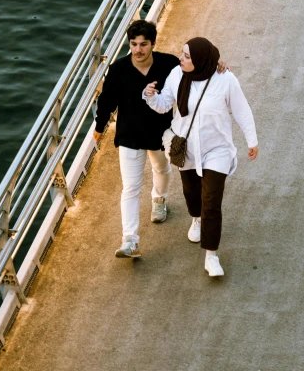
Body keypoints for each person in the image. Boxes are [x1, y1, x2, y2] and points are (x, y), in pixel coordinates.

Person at [144, 37, 258, 277]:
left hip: (217, 149)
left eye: (187, 56)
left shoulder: (225, 78)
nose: (181, 59)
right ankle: (196, 219)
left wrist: (252, 140)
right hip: (186, 147)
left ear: (202, 60)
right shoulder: (177, 74)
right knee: (191, 192)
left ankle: (211, 256)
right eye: (182, 54)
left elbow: (241, 109)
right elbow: (165, 105)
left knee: (212, 201)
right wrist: (151, 96)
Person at [93, 20, 179, 259]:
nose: (138, 50)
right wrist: (100, 126)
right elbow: (107, 100)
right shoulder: (119, 69)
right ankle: (130, 240)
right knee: (130, 188)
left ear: (153, 43)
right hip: (129, 135)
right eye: (134, 44)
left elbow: (195, 71)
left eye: (143, 44)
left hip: (161, 132)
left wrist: (218, 66)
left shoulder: (169, 64)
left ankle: (159, 199)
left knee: (161, 170)